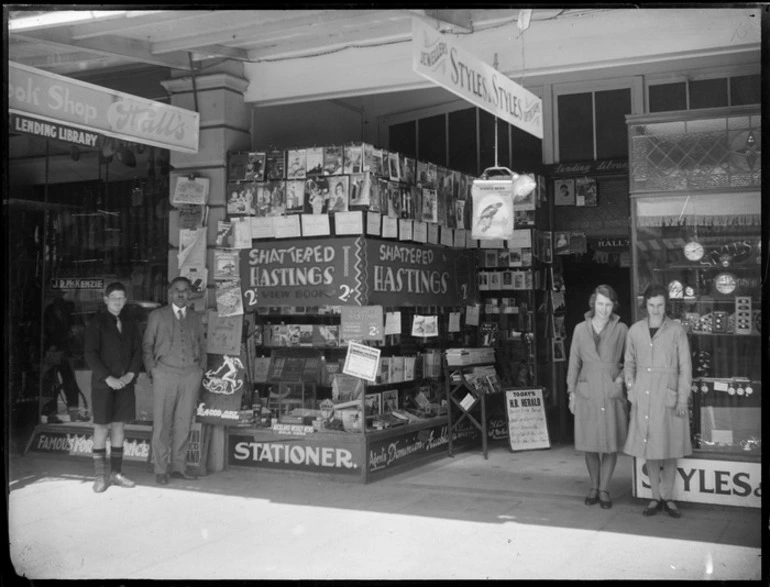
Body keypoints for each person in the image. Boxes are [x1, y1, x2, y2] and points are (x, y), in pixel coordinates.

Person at [624, 283, 692, 518]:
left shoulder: (676, 331)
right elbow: (629, 364)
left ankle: (669, 498)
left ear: (666, 305)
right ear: (646, 306)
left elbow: (685, 366)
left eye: (660, 305)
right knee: (649, 447)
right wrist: (631, 388)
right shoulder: (634, 331)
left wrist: (683, 397)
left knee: (670, 448)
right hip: (643, 395)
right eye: (652, 305)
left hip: (669, 394)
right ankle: (655, 497)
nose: (656, 309)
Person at [566, 284, 628, 510]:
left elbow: (631, 360)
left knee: (610, 443)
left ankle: (604, 489)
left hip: (611, 389)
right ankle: (593, 486)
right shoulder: (580, 329)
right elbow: (574, 362)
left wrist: (620, 380)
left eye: (608, 304)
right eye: (600, 304)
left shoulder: (621, 329)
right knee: (589, 443)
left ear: (614, 306)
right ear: (593, 303)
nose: (604, 309)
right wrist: (571, 392)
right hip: (587, 390)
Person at [142, 277, 207, 485]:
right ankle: (161, 468)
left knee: (183, 423)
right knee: (162, 423)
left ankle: (179, 466)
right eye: (177, 290)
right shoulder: (157, 315)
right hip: (165, 374)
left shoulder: (195, 318)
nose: (181, 294)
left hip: (190, 375)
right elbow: (147, 346)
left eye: (185, 291)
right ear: (170, 293)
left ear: (190, 294)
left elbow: (202, 345)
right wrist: (153, 370)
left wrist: (200, 370)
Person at [83, 282, 143, 493]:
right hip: (103, 385)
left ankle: (116, 473)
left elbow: (138, 350)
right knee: (101, 427)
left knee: (119, 426)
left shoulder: (129, 322)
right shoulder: (97, 323)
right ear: (106, 299)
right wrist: (107, 378)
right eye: (114, 297)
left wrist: (130, 374)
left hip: (125, 384)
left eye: (122, 298)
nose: (118, 301)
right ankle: (100, 476)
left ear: (125, 301)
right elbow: (90, 354)